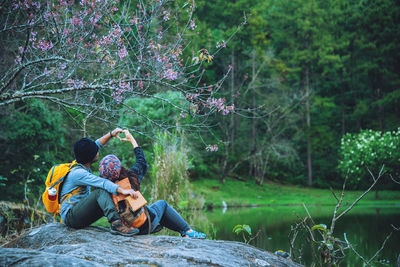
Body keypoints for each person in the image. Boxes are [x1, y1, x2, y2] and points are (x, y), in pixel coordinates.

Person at [99, 129, 206, 238]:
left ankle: (184, 232)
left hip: (127, 229)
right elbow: (141, 161)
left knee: (152, 208)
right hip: (144, 226)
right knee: (162, 204)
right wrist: (132, 140)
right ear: (120, 168)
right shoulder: (130, 177)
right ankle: (187, 231)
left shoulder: (101, 190)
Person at [60, 128, 140, 236]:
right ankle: (116, 224)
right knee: (101, 191)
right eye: (96, 152)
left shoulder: (81, 162)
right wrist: (123, 190)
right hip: (71, 217)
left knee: (110, 192)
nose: (98, 152)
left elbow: (96, 144)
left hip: (79, 212)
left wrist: (111, 134)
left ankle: (132, 221)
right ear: (91, 157)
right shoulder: (78, 173)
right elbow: (102, 182)